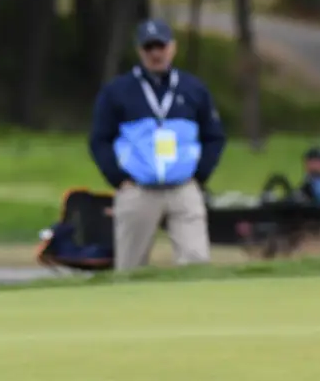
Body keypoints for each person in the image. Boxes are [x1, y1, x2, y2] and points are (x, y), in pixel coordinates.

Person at [89, 18, 226, 271]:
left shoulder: (193, 89)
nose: (155, 53)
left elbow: (214, 135)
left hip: (183, 188)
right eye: (149, 48)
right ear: (140, 51)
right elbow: (99, 139)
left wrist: (199, 175)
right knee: (130, 267)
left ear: (172, 48)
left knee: (196, 263)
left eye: (160, 46)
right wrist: (118, 178)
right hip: (138, 189)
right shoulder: (118, 91)